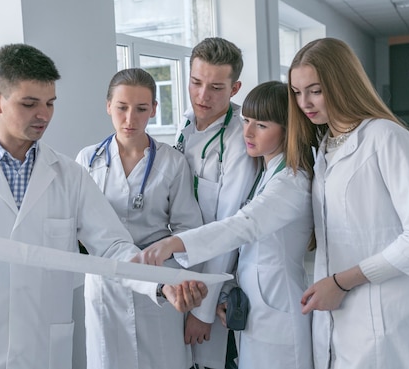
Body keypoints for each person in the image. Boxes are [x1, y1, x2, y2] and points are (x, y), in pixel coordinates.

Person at [0, 43, 208, 369]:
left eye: (50, 103)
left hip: (42, 347)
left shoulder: (69, 175)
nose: (43, 115)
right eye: (29, 104)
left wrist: (160, 284)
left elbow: (113, 246)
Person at [286, 37, 409, 369]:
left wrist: (341, 281)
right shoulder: (325, 147)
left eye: (315, 90)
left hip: (386, 309)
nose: (304, 102)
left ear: (343, 83)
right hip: (339, 313)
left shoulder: (387, 138)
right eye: (296, 91)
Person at [135, 81, 315, 369]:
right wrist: (229, 296)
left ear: (288, 128)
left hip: (279, 310)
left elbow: (243, 226)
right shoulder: (267, 173)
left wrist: (175, 242)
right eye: (245, 121)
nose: (247, 132)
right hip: (257, 307)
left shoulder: (291, 183)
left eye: (262, 125)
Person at [75, 68, 204, 369]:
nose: (130, 119)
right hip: (106, 285)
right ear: (108, 105)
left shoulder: (172, 162)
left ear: (154, 110)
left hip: (159, 285)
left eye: (141, 109)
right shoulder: (86, 160)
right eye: (121, 107)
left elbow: (189, 229)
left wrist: (165, 260)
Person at [175, 37, 257, 369]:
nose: (202, 96)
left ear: (235, 88)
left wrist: (203, 311)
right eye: (196, 83)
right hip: (183, 274)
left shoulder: (240, 140)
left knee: (212, 363)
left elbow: (229, 231)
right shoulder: (186, 122)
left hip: (214, 285)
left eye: (215, 88)